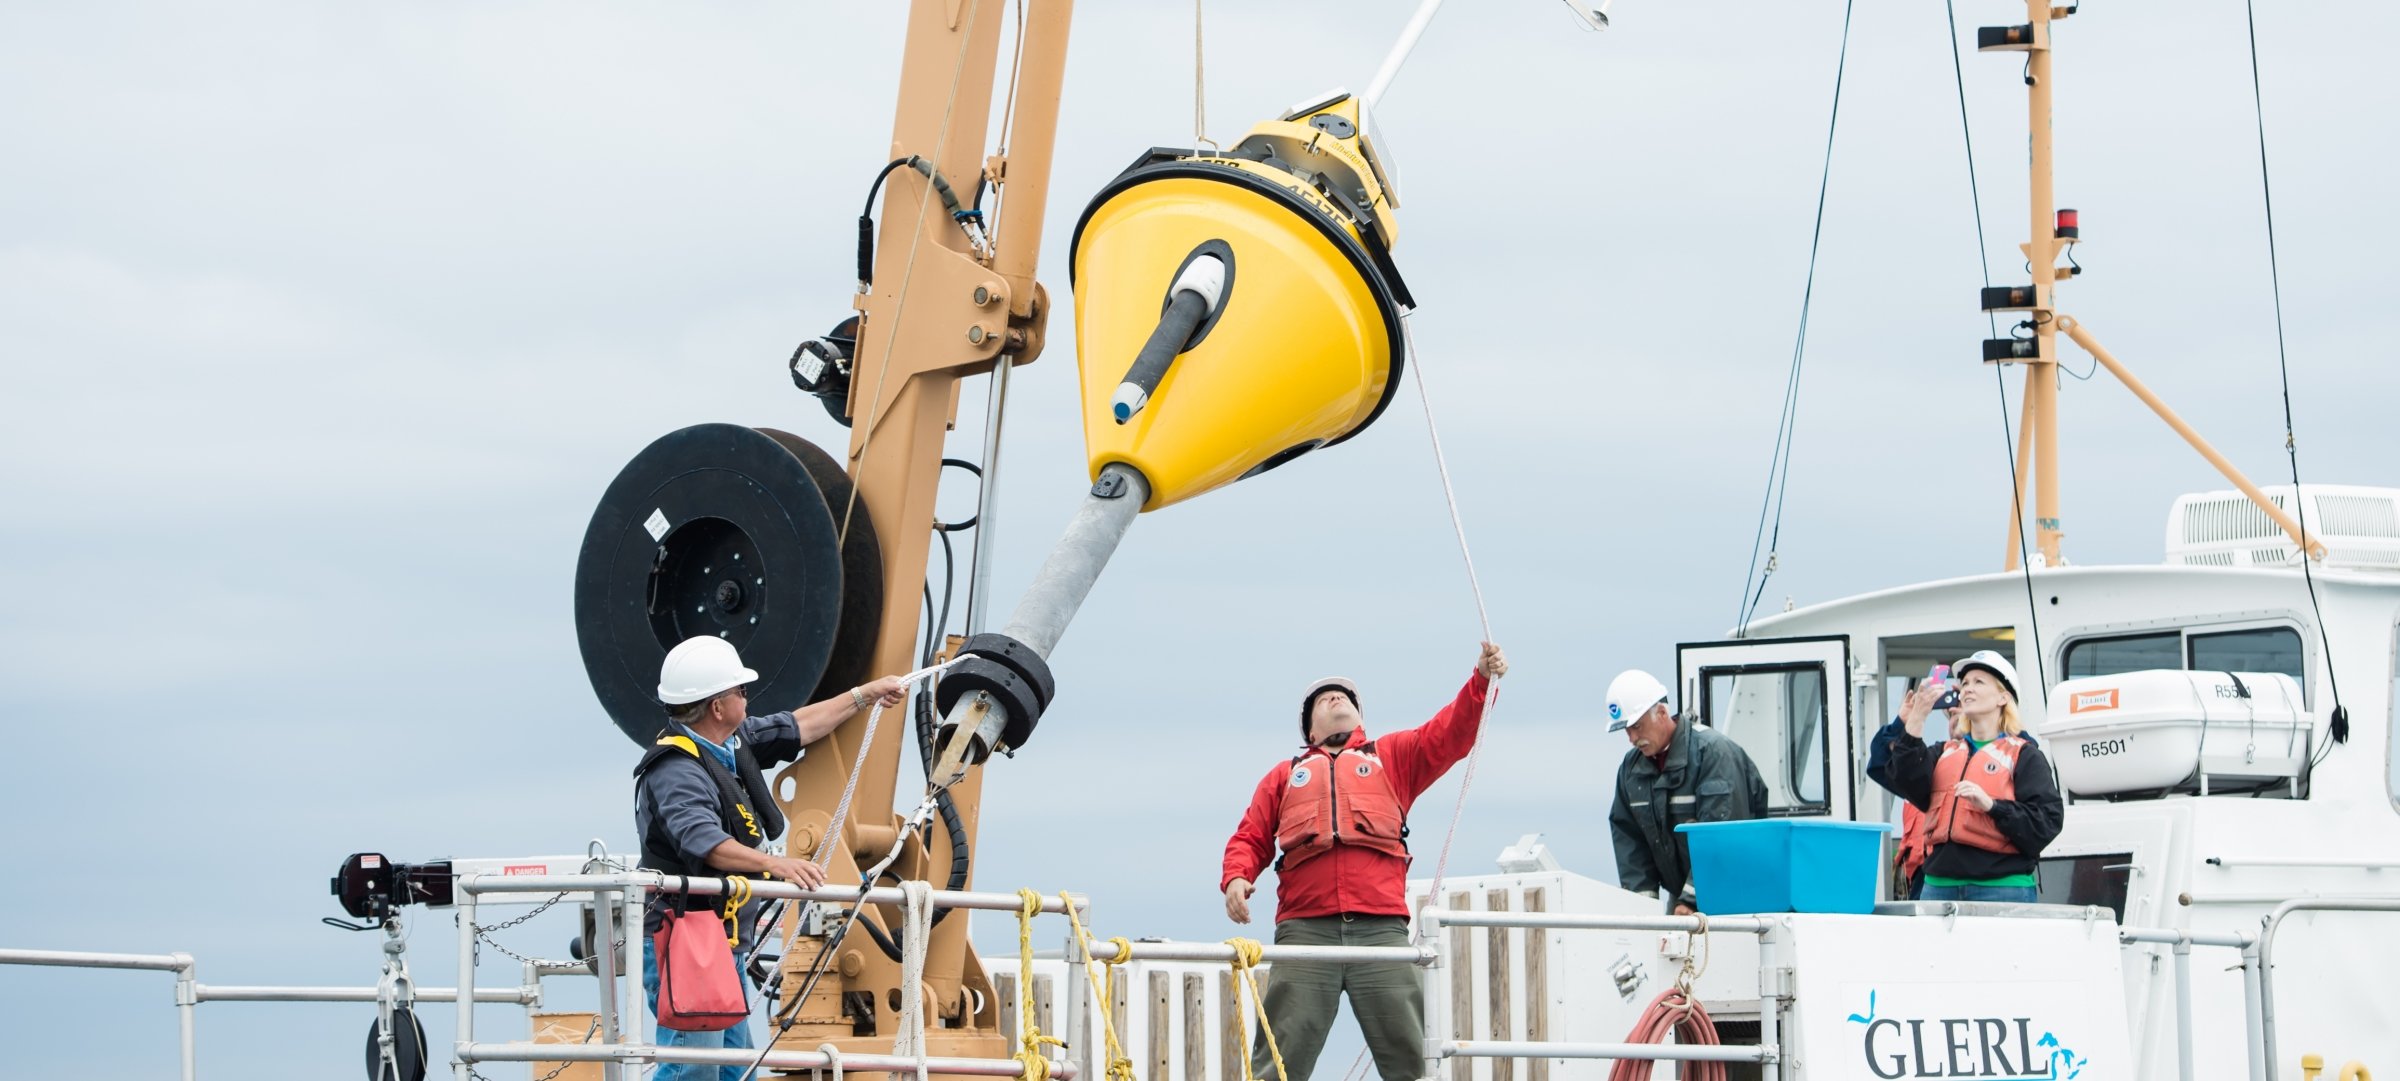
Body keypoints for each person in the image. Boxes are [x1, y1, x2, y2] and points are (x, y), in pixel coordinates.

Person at [1219, 642, 1509, 1081]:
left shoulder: (1393, 757)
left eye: (1345, 697)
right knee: (1278, 1062)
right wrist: (1236, 878)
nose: (1336, 698)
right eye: (1323, 698)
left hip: (1381, 931)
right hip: (1304, 932)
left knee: (1411, 1059)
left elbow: (1451, 732)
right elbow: (1250, 836)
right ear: (1309, 732)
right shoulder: (1283, 776)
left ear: (1360, 717)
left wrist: (1482, 679)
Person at [633, 635, 907, 1080]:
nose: (748, 696)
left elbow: (798, 726)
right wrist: (777, 865)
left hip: (718, 944)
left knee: (734, 1070)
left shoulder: (729, 744)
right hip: (687, 944)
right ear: (717, 707)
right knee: (693, 1070)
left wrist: (865, 695)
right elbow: (703, 840)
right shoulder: (677, 771)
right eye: (740, 691)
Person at [1867, 650, 2064, 903]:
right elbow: (1897, 773)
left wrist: (1993, 806)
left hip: (2002, 889)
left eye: (1978, 682)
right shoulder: (1942, 753)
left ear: (2003, 697)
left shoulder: (2024, 754)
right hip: (1937, 888)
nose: (1967, 689)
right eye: (1965, 683)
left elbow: (2047, 822)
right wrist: (1914, 718)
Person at [1602, 669, 1771, 915]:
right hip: (1685, 900)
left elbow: (1721, 834)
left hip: (1735, 896)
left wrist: (1690, 901)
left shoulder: (1714, 755)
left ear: (1661, 713)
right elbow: (1630, 841)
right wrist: (1642, 909)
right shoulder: (1631, 770)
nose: (1632, 738)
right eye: (1626, 730)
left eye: (1637, 726)